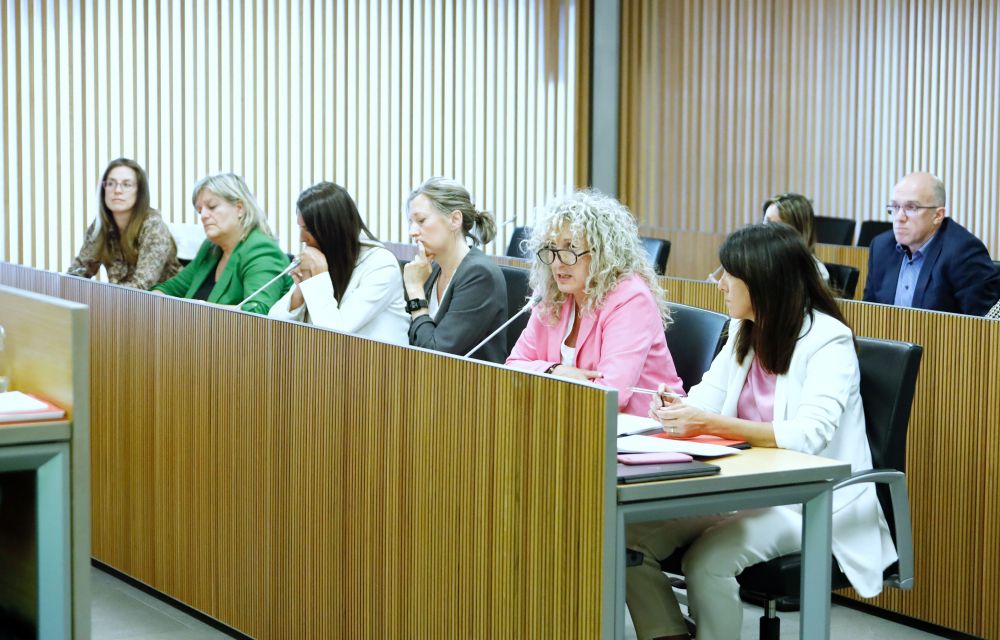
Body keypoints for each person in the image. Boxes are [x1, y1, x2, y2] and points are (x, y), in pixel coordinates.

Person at [626, 223, 895, 640]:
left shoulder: (829, 340)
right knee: (626, 541)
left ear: (763, 280)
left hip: (808, 500)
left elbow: (808, 435)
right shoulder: (744, 329)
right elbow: (706, 401)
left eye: (729, 274)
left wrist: (707, 423)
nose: (719, 283)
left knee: (707, 562)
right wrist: (676, 410)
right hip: (740, 488)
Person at [505, 190, 683, 415]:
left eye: (571, 248)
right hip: (570, 418)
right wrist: (555, 371)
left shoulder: (630, 299)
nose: (558, 263)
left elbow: (611, 395)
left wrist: (545, 380)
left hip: (643, 426)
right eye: (551, 247)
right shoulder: (551, 293)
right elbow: (513, 366)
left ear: (602, 253)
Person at [268, 182, 408, 345]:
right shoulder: (329, 256)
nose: (301, 238)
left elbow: (335, 334)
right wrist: (299, 292)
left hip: (376, 360)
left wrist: (319, 277)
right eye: (300, 228)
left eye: (308, 229)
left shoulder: (381, 265)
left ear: (332, 230)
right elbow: (273, 323)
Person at [863, 172, 1000, 315]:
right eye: (895, 207)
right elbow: (868, 313)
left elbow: (983, 324)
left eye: (911, 207)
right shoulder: (881, 247)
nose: (899, 217)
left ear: (938, 215)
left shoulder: (964, 253)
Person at [153, 173, 291, 314]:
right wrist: (152, 300)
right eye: (200, 210)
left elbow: (257, 311)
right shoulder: (211, 248)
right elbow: (170, 289)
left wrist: (199, 308)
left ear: (239, 208)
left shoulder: (261, 249)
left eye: (212, 207)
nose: (203, 215)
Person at [403, 177, 507, 362]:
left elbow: (436, 355)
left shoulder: (480, 275)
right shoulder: (430, 270)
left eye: (421, 220)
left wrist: (415, 291)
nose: (412, 232)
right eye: (411, 222)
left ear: (454, 219)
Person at [67, 158, 181, 289]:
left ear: (139, 192)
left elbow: (141, 286)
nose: (117, 190)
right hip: (119, 298)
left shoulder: (153, 226)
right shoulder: (101, 225)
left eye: (126, 184)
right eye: (111, 183)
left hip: (162, 300)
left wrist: (103, 296)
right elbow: (79, 270)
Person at [708, 192, 829, 284]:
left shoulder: (816, 272)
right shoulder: (760, 260)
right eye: (765, 222)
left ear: (797, 230)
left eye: (772, 225)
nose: (763, 229)